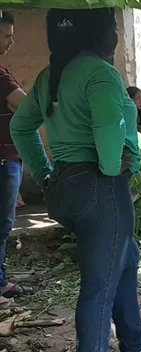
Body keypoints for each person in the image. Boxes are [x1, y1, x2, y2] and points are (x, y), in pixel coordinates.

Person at [10, 8, 141, 352]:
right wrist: (111, 166)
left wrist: (44, 174)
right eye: (114, 27)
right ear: (99, 33)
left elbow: (20, 126)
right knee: (99, 283)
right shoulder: (100, 73)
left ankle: (134, 342)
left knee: (125, 257)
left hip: (68, 187)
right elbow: (108, 127)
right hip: (101, 188)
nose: (118, 34)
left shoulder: (51, 77)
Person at [0, 12, 30, 309]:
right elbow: (22, 104)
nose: (11, 41)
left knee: (4, 224)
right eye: (7, 35)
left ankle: (0, 280)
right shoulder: (0, 74)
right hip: (3, 157)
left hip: (8, 156)